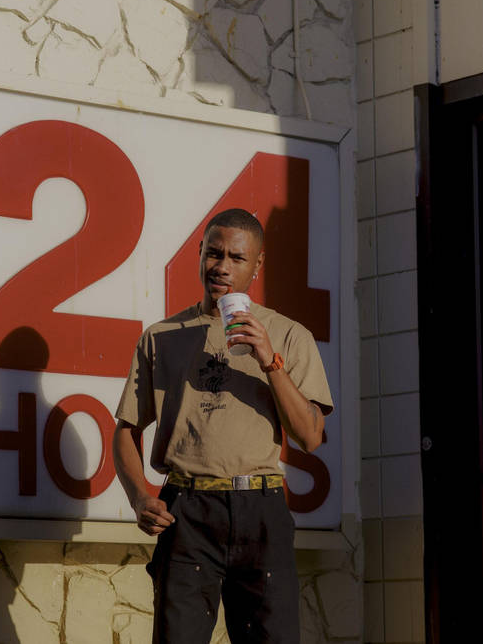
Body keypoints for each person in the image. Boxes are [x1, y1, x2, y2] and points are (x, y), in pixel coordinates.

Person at [113, 208, 333, 643]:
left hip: (261, 509)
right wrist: (139, 496)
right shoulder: (161, 336)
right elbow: (126, 428)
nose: (222, 267)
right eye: (214, 254)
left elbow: (310, 435)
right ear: (199, 254)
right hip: (187, 511)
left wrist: (269, 360)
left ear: (257, 265)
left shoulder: (289, 335)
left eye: (236, 258)